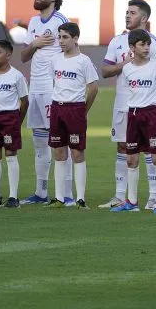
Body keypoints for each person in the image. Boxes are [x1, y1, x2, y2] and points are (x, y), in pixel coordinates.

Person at [98, 0, 156, 209]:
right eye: (126, 12)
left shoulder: (154, 43)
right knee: (123, 147)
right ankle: (121, 196)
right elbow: (106, 71)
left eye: (132, 13)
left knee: (149, 150)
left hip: (147, 105)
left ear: (144, 18)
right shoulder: (117, 41)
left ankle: (154, 196)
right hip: (123, 103)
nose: (127, 16)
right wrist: (127, 62)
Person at [20, 0, 70, 205]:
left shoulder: (60, 21)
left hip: (53, 88)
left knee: (59, 141)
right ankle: (41, 192)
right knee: (39, 143)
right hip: (36, 88)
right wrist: (35, 43)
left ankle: (66, 194)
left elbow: (69, 51)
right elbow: (23, 56)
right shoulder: (32, 22)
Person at [112, 29, 156, 214]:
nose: (146, 48)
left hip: (152, 114)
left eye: (147, 44)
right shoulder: (127, 69)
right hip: (134, 115)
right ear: (132, 47)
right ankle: (132, 201)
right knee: (131, 158)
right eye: (142, 44)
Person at [47, 22, 99, 208]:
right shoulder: (55, 60)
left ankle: (80, 198)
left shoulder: (84, 61)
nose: (61, 41)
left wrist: (83, 109)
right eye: (59, 37)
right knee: (59, 153)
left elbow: (93, 87)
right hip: (57, 108)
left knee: (77, 153)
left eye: (65, 37)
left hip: (75, 109)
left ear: (75, 39)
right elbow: (55, 83)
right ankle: (60, 198)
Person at [0, 39, 29, 208]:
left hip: (10, 118)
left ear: (8, 55)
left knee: (10, 153)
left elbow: (25, 101)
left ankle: (13, 197)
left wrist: (17, 120)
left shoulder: (16, 76)